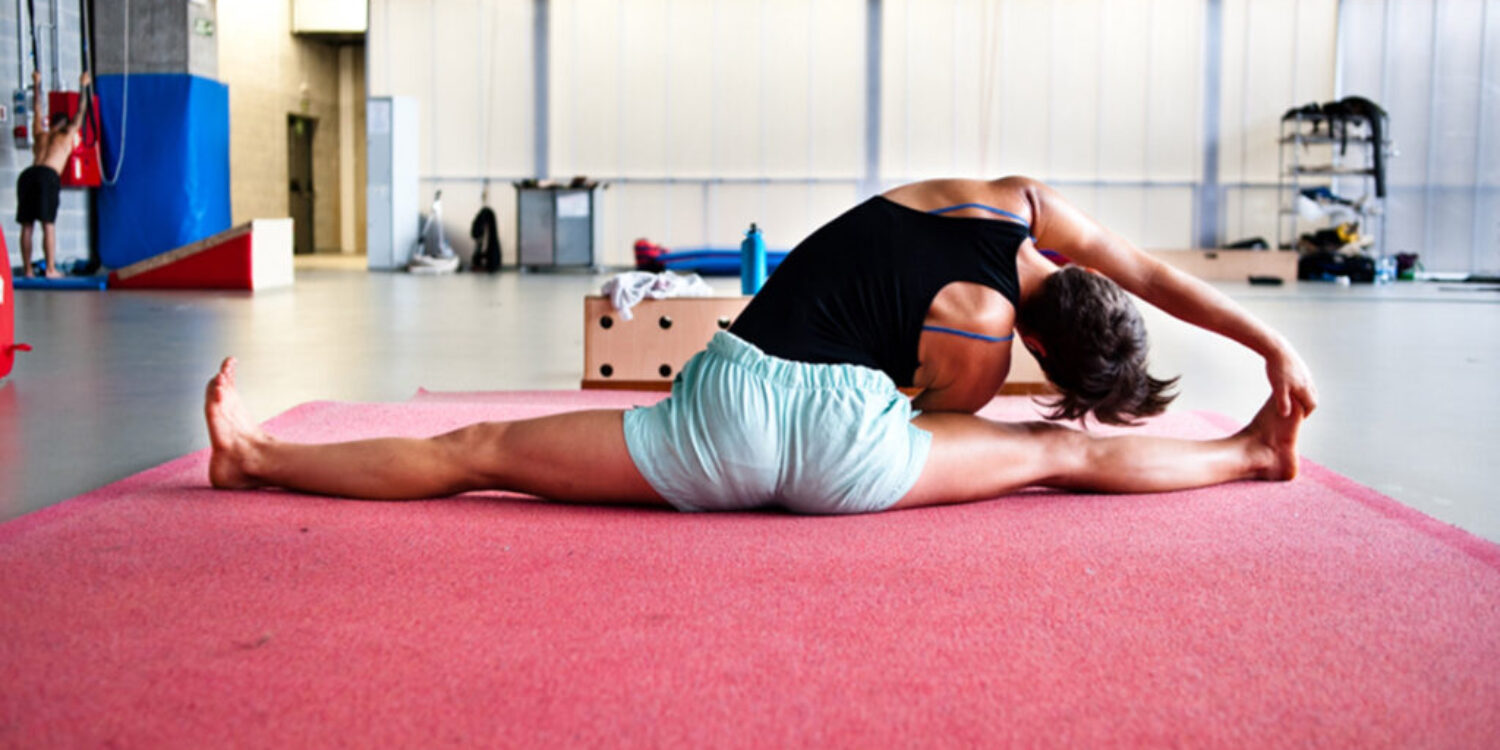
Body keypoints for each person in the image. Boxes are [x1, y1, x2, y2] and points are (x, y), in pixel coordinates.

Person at [205, 176, 1313, 513]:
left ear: (1079, 274)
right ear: (1049, 355)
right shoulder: (981, 356)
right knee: (1056, 459)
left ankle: (253, 458)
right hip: (851, 460)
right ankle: (1255, 456)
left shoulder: (1002, 198)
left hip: (720, 417)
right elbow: (939, 420)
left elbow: (1148, 271)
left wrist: (1270, 342)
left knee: (480, 451)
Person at [16, 70, 91, 279]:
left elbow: (37, 108)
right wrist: (83, 85)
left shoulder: (40, 133)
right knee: (48, 224)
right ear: (65, 124)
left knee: (27, 225)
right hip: (47, 175)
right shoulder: (67, 134)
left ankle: (28, 271)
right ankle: (50, 269)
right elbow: (81, 112)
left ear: (51, 123)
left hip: (28, 175)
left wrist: (36, 83)